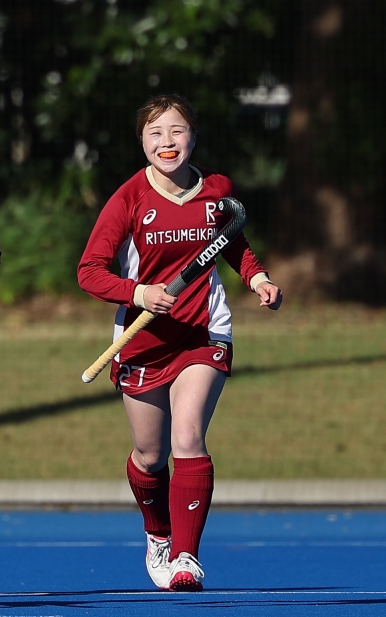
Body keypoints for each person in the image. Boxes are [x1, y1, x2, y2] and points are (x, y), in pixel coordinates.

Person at [76, 94, 282, 591]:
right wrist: (139, 293)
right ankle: (159, 534)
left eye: (177, 131)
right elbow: (89, 272)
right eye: (155, 133)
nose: (167, 142)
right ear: (142, 142)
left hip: (203, 331)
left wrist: (257, 279)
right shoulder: (128, 198)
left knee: (187, 436)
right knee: (150, 455)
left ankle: (186, 558)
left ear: (193, 136)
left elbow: (231, 241)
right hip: (143, 338)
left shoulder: (216, 190)